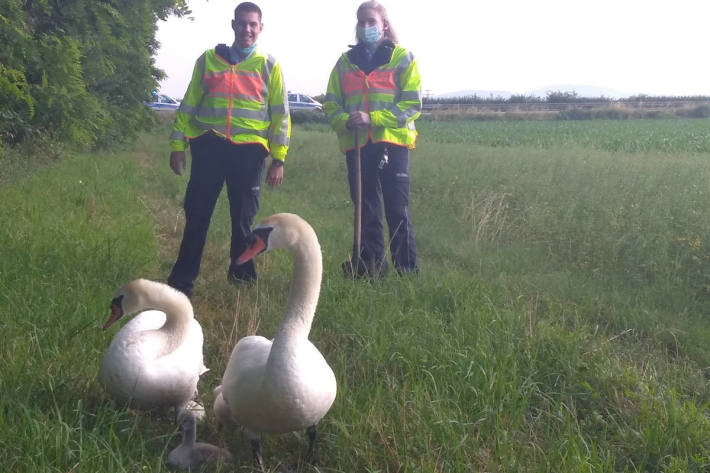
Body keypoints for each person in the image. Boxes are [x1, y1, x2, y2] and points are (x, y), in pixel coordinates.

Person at [167, 2, 290, 297]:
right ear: (232, 25)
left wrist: (279, 159)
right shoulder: (208, 60)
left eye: (253, 24)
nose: (247, 29)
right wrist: (177, 145)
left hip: (250, 154)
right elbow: (189, 104)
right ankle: (181, 283)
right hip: (209, 147)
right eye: (242, 23)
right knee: (197, 216)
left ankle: (242, 280)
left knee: (244, 221)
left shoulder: (269, 65)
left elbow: (280, 115)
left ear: (260, 28)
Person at [323, 1, 422, 278]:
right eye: (361, 22)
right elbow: (331, 104)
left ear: (384, 25)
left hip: (393, 145)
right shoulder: (344, 63)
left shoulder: (402, 57)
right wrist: (345, 120)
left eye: (371, 22)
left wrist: (373, 118)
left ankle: (407, 274)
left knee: (397, 211)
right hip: (357, 146)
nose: (366, 27)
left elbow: (412, 104)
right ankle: (371, 269)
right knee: (366, 211)